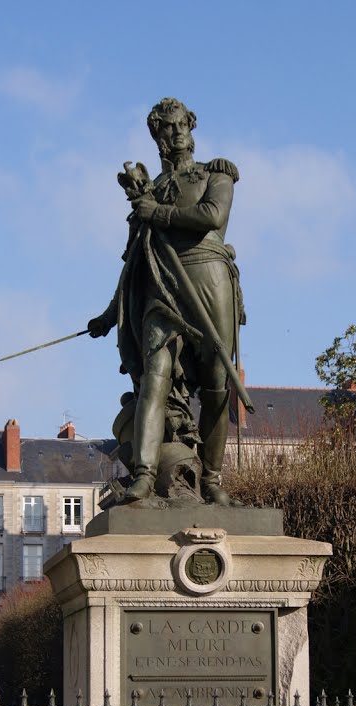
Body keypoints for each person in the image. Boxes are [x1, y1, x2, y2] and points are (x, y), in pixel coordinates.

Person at [88, 97, 244, 505]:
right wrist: (109, 314)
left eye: (180, 127)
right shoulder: (149, 193)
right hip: (161, 286)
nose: (174, 136)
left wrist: (157, 214)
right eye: (165, 130)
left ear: (192, 127)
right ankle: (143, 473)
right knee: (155, 377)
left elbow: (212, 215)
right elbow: (133, 259)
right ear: (156, 138)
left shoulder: (216, 174)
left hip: (209, 279)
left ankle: (211, 479)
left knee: (215, 384)